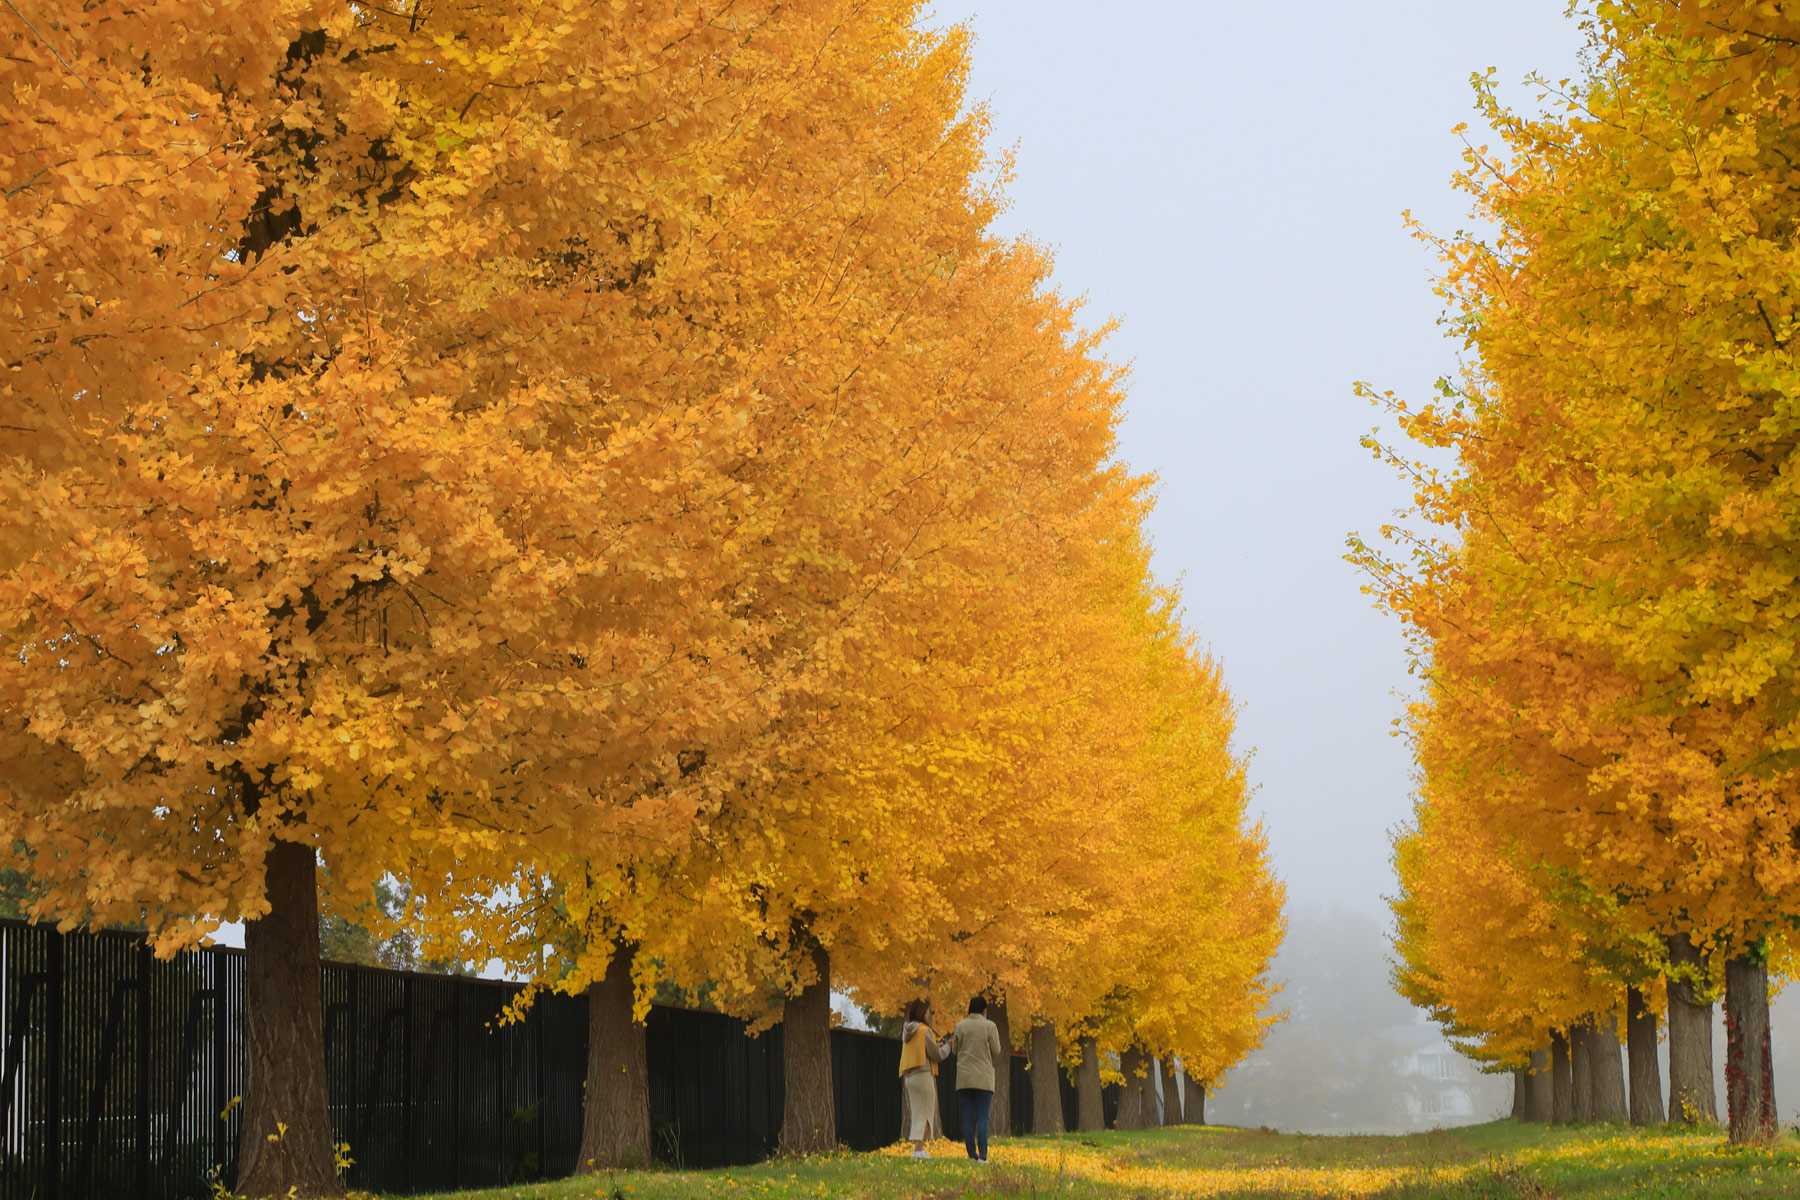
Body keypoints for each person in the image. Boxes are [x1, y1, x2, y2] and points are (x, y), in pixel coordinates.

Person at [944, 994, 1004, 1162]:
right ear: (984, 1010)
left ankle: (971, 1155)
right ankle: (983, 1156)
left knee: (967, 1117)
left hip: (964, 1079)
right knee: (983, 1117)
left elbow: (954, 1051)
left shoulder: (960, 1026)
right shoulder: (990, 1026)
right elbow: (997, 1050)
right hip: (984, 1079)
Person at [897, 998, 946, 1158]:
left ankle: (918, 1149)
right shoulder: (924, 1030)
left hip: (910, 1077)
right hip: (924, 1075)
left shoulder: (908, 1031)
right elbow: (936, 1054)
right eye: (928, 1011)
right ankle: (918, 1150)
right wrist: (948, 1047)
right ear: (921, 1012)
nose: (930, 1014)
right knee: (925, 1112)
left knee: (918, 1112)